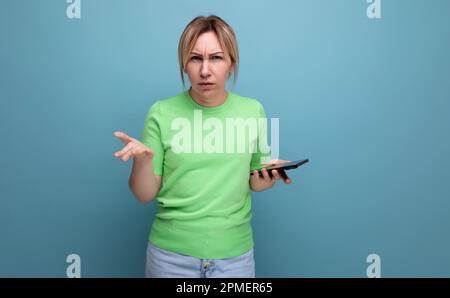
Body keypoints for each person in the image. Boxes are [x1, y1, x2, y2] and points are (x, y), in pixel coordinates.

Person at [113, 15, 293, 278]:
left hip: (235, 259)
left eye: (217, 58)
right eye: (195, 58)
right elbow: (144, 194)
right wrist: (142, 161)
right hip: (170, 259)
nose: (205, 70)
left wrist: (270, 176)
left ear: (232, 63)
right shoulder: (162, 112)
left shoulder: (252, 110)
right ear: (184, 64)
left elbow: (255, 182)